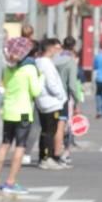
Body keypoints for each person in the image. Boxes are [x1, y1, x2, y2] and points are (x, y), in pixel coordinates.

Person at [0, 36, 40, 193]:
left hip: (8, 111)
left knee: (5, 143)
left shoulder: (9, 69)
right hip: (24, 112)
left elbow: (5, 85)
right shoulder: (30, 69)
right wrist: (42, 78)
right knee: (20, 146)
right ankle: (11, 182)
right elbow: (36, 91)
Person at [34, 37, 67, 170]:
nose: (57, 50)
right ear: (50, 48)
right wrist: (61, 96)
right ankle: (47, 158)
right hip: (51, 102)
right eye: (56, 48)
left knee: (46, 130)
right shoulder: (46, 63)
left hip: (45, 101)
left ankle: (45, 156)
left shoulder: (39, 62)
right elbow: (52, 83)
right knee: (50, 131)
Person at [54, 35, 81, 166]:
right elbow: (72, 84)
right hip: (64, 97)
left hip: (50, 96)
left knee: (51, 126)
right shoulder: (71, 60)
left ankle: (48, 153)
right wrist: (77, 100)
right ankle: (64, 154)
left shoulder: (54, 58)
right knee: (65, 126)